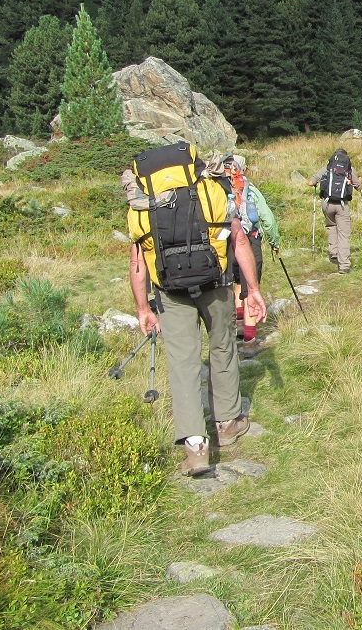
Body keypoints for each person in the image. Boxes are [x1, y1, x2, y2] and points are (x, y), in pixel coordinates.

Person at [127, 147, 267, 478]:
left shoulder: (143, 205)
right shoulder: (212, 192)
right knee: (222, 346)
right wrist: (253, 290)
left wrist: (142, 307)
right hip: (215, 285)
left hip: (170, 293)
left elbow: (136, 261)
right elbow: (239, 242)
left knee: (182, 364)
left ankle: (196, 449)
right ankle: (228, 424)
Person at [223, 154, 280, 348]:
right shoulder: (250, 190)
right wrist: (274, 242)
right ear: (243, 169)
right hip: (249, 238)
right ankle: (249, 341)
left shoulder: (216, 189)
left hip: (225, 242)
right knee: (249, 285)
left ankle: (238, 324)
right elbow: (267, 218)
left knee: (237, 280)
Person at [308, 148, 362, 274]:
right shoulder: (350, 169)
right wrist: (360, 180)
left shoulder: (327, 168)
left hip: (326, 203)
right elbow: (358, 188)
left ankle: (333, 253)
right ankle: (344, 265)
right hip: (342, 205)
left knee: (331, 226)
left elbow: (311, 183)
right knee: (343, 233)